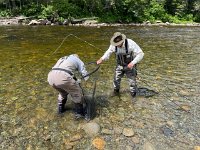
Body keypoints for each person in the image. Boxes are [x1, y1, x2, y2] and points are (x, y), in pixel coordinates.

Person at [97, 32, 144, 102]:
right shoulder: (113, 44)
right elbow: (108, 52)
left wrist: (133, 63)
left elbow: (141, 54)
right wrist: (102, 59)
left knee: (132, 82)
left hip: (130, 66)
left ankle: (133, 97)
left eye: (118, 44)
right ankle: (116, 94)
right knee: (116, 80)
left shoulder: (131, 43)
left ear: (122, 41)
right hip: (119, 65)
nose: (116, 45)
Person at [47, 54, 89, 119]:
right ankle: (79, 113)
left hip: (50, 77)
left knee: (63, 93)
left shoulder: (62, 58)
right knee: (77, 93)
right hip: (63, 77)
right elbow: (84, 73)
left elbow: (65, 71)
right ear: (77, 57)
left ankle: (61, 110)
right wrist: (86, 79)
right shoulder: (77, 59)